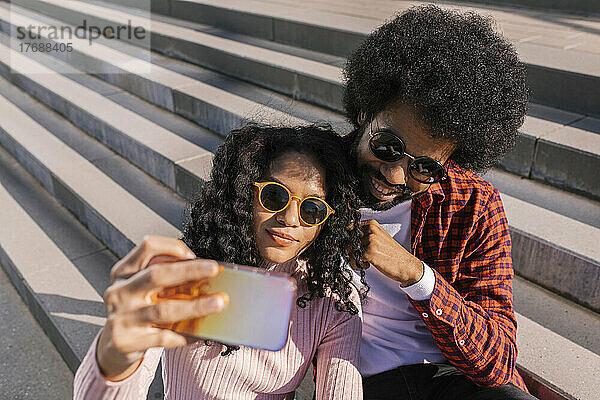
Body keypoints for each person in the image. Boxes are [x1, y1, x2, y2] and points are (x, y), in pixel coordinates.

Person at [73, 124, 367, 399]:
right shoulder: (188, 271)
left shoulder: (333, 297)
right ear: (243, 193)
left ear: (329, 220)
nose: (290, 219)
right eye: (274, 196)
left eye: (312, 209)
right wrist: (114, 358)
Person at [341, 5, 537, 399]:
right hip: (357, 380)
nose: (395, 175)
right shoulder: (306, 180)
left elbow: (499, 356)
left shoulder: (472, 204)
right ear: (365, 111)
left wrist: (417, 276)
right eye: (387, 146)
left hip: (452, 377)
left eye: (424, 168)